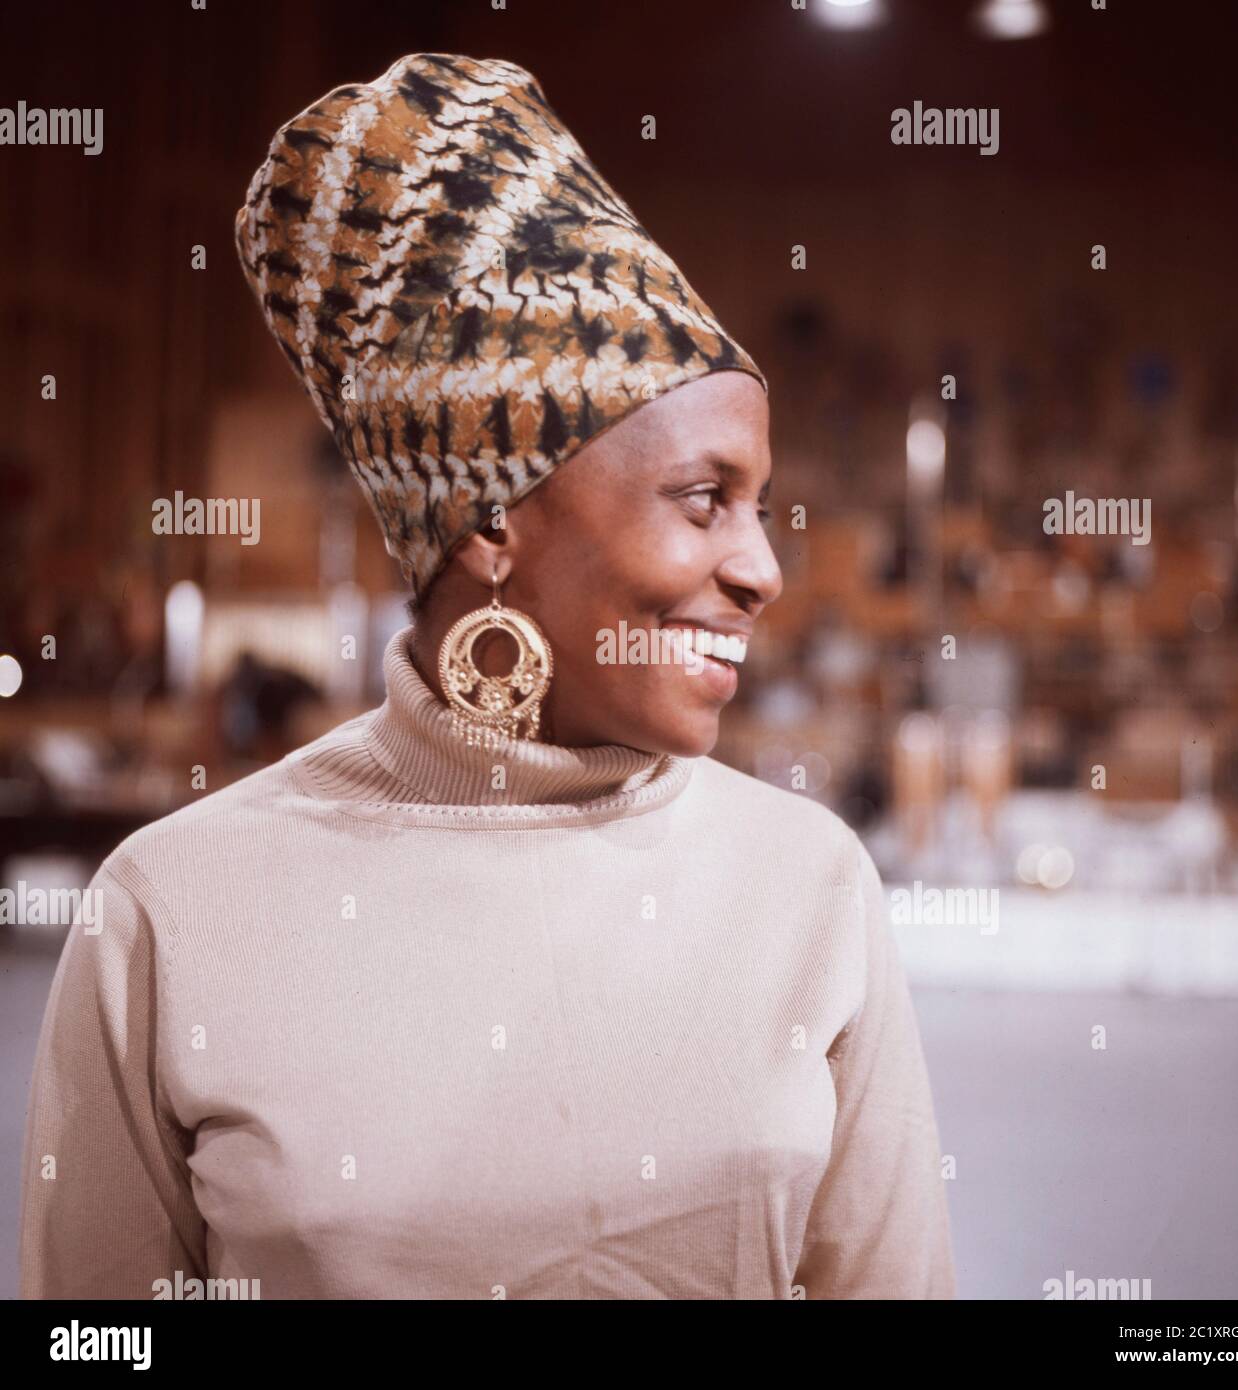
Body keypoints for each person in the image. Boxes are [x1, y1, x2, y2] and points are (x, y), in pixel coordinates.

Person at [18, 52, 955, 1300]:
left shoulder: (808, 887)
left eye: (761, 504)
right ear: (492, 520)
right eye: (702, 501)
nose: (763, 569)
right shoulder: (170, 914)